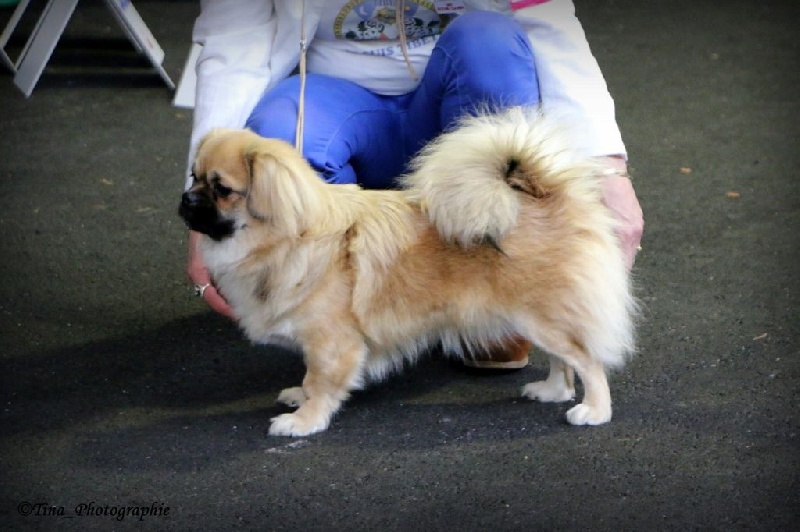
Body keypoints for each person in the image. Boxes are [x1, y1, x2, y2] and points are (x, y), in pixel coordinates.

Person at [184, 0, 644, 369]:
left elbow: (550, 21)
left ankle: (489, 296)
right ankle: (340, 323)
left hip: (457, 96)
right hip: (338, 97)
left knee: (491, 43)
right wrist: (210, 204)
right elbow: (234, 37)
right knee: (283, 134)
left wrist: (608, 170)